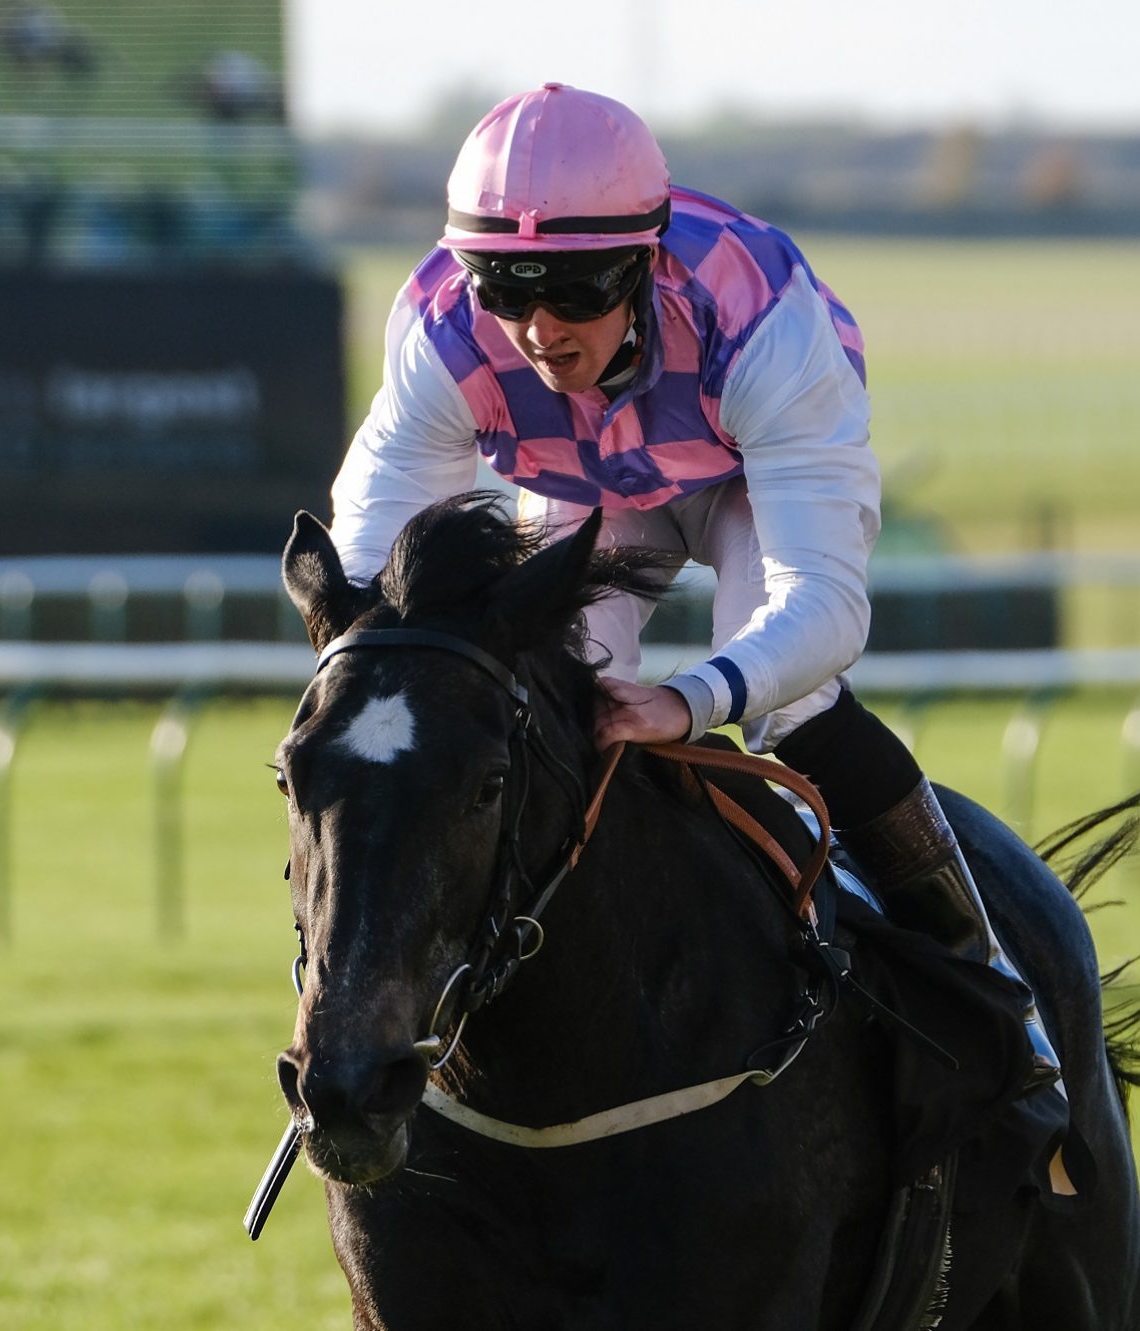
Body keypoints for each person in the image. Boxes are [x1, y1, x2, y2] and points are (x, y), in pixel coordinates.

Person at [327, 83, 1057, 1086]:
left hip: (748, 482)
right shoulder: (442, 332)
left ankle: (990, 983)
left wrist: (689, 699)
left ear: (645, 263)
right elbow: (369, 566)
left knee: (791, 698)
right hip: (591, 496)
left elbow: (825, 607)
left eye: (576, 291)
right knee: (547, 700)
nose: (539, 329)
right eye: (506, 288)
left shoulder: (757, 316)